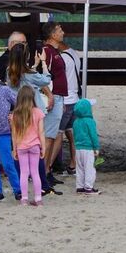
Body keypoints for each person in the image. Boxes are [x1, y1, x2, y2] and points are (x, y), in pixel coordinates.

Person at [7, 42, 61, 196]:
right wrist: (43, 62)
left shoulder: (9, 73)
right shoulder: (30, 74)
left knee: (18, 149)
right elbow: (46, 80)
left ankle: (20, 190)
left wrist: (34, 65)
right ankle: (43, 184)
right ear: (26, 57)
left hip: (17, 113)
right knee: (36, 151)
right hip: (32, 113)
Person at [0, 69, 22, 202]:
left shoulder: (5, 90)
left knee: (8, 164)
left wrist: (14, 114)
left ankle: (17, 190)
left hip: (3, 133)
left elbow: (19, 102)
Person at [41, 21, 68, 187]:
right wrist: (50, 95)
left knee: (53, 135)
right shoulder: (47, 51)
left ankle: (47, 170)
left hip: (58, 97)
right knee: (49, 137)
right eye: (59, 30)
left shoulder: (55, 52)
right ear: (52, 34)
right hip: (53, 97)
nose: (62, 32)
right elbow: (40, 76)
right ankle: (43, 173)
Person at [11, 85, 46, 206]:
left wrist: (14, 149)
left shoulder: (15, 115)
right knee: (35, 172)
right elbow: (41, 132)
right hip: (35, 145)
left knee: (24, 173)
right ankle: (38, 198)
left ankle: (24, 198)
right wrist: (44, 146)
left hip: (21, 146)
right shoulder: (38, 112)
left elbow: (14, 134)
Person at [58, 40, 81, 175]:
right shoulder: (74, 55)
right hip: (75, 98)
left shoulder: (63, 58)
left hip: (65, 99)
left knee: (57, 133)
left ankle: (49, 165)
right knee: (71, 133)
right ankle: (74, 163)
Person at [72, 99, 101, 195]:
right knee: (89, 168)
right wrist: (96, 147)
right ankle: (89, 187)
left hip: (78, 148)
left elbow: (74, 134)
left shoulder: (76, 121)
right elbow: (93, 135)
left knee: (79, 168)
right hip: (88, 149)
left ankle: (79, 187)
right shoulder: (90, 121)